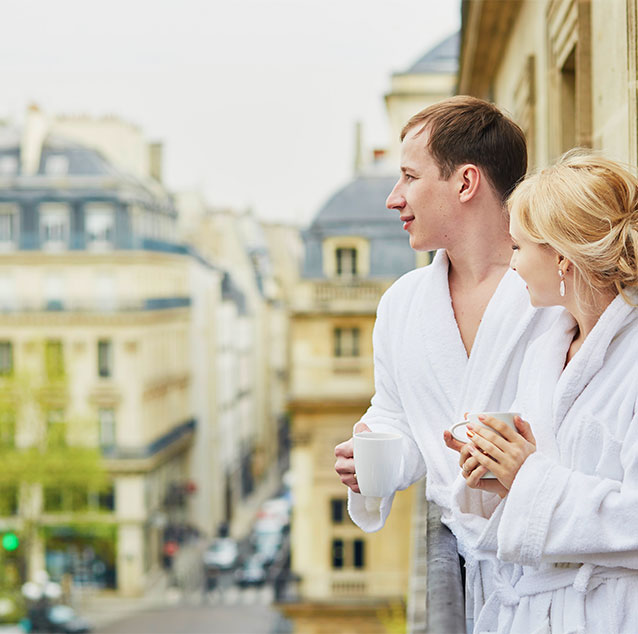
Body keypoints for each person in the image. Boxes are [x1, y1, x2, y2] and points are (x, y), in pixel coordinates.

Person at [333, 95, 559, 623]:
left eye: (410, 177)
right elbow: (397, 415)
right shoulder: (403, 304)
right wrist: (375, 460)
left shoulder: (554, 290)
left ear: (465, 183)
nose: (394, 198)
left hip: (555, 570)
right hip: (466, 579)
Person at [452, 150, 638, 633]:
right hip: (537, 611)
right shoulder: (545, 351)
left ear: (560, 256)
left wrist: (527, 476)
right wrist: (498, 474)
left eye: (518, 248)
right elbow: (539, 480)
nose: (511, 267)